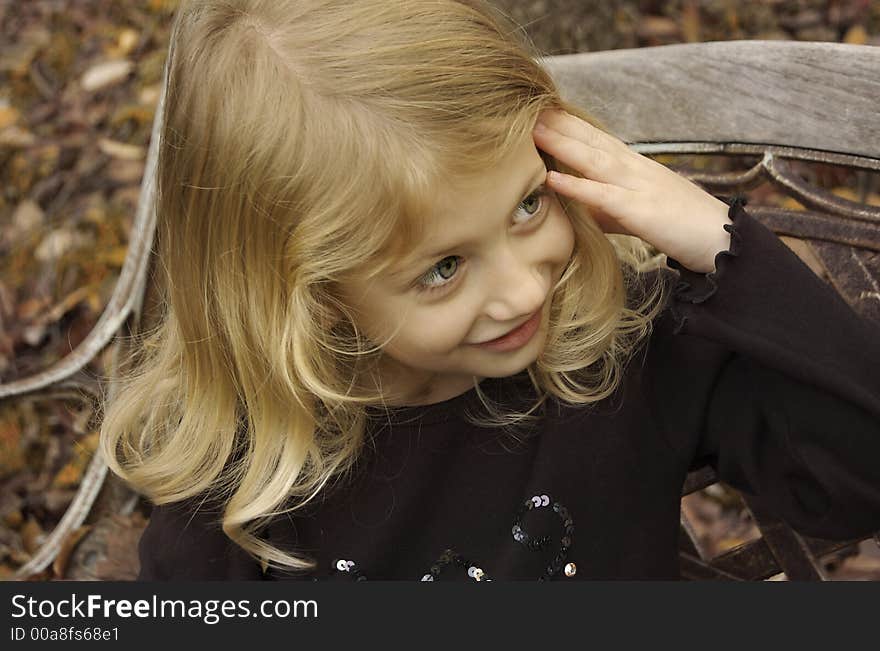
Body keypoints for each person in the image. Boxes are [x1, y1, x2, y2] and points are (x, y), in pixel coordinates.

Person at [99, 0, 880, 581]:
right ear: (304, 296)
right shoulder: (243, 488)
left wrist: (721, 240)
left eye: (527, 204)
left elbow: (859, 476)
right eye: (443, 268)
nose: (520, 292)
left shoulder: (627, 346)